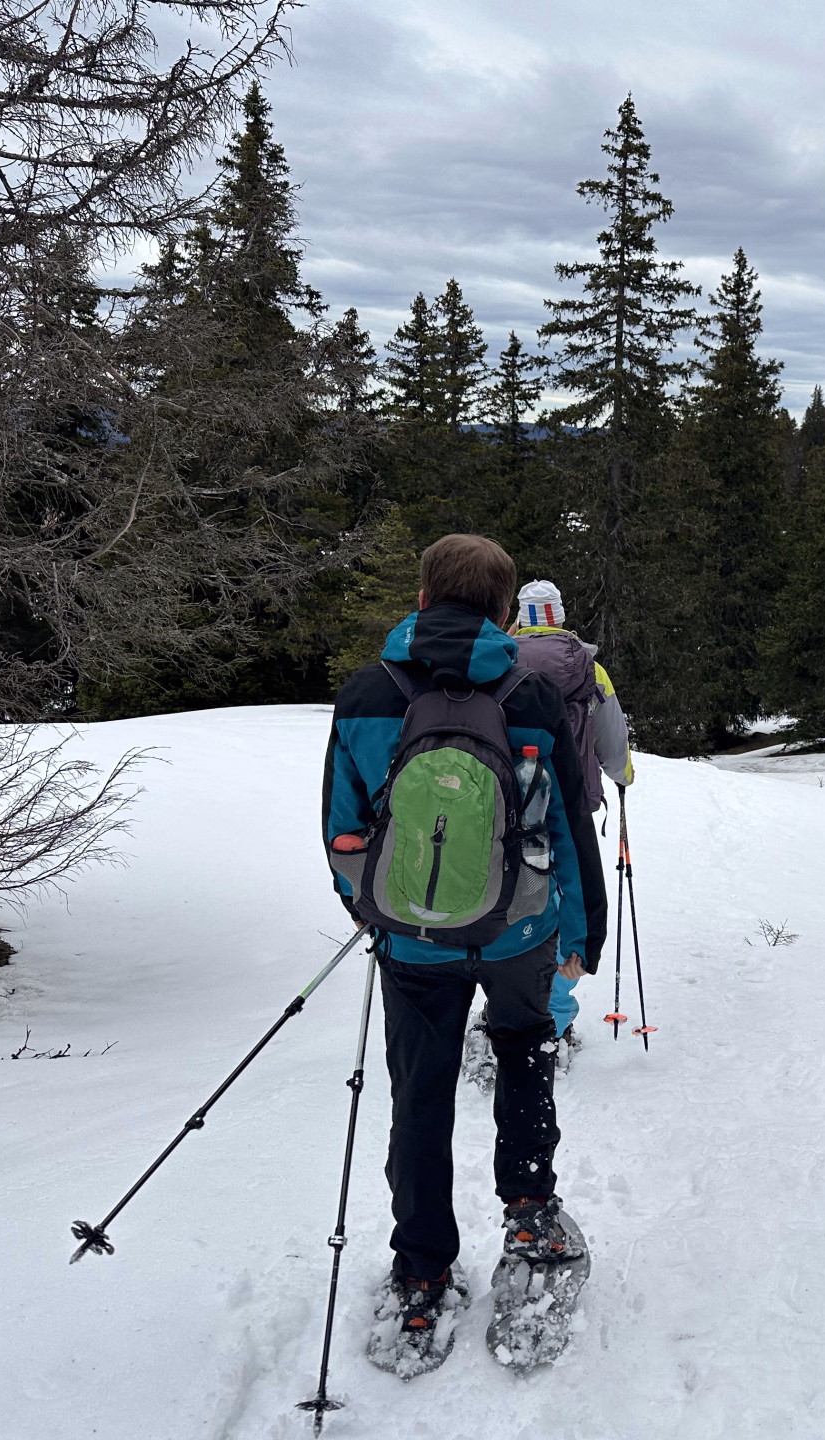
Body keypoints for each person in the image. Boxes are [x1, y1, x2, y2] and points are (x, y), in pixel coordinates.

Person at [321, 534, 607, 1356]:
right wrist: (580, 933)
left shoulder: (367, 692)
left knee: (419, 1094)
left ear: (421, 598)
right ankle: (530, 1217)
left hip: (414, 942)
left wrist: (370, 908)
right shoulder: (531, 695)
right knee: (523, 1054)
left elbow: (342, 828)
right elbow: (567, 824)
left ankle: (421, 1270)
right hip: (520, 932)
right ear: (503, 613)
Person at [508, 579, 633, 1043]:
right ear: (560, 616)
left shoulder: (498, 664)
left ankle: (508, 1003)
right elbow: (612, 742)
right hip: (571, 805)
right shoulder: (590, 670)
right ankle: (553, 1017)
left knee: (511, 901)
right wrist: (623, 776)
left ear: (520, 618)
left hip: (508, 808)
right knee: (567, 907)